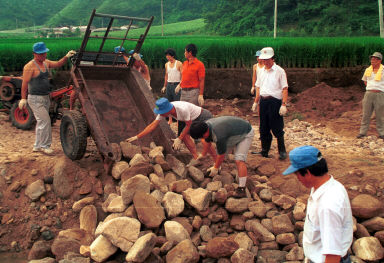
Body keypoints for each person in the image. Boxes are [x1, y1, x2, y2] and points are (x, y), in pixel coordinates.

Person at [283, 145, 353, 263]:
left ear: (308, 173)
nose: (298, 178)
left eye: (297, 174)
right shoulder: (329, 185)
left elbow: (332, 255)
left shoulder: (328, 205)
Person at [19, 42, 75, 154]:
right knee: (45, 121)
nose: (44, 55)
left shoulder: (46, 63)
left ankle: (37, 145)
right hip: (35, 98)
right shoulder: (30, 66)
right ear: (35, 54)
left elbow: (58, 63)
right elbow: (25, 84)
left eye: (44, 53)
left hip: (45, 97)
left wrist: (66, 56)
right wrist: (23, 98)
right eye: (41, 54)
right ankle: (45, 146)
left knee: (41, 122)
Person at [126, 98, 216, 160]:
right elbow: (152, 125)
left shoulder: (182, 109)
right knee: (184, 136)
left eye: (162, 112)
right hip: (185, 119)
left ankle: (216, 162)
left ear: (168, 110)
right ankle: (196, 157)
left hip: (201, 116)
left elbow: (188, 125)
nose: (161, 114)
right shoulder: (164, 112)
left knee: (205, 139)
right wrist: (137, 137)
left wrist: (179, 138)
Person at [189, 116, 254, 197]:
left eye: (202, 136)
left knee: (239, 160)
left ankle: (241, 189)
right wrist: (203, 154)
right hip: (232, 132)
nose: (202, 138)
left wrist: (215, 167)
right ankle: (217, 168)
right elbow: (207, 142)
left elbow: (221, 154)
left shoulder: (219, 134)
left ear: (205, 132)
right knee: (220, 152)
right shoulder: (205, 126)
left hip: (245, 132)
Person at [251, 47, 288, 160]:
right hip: (264, 101)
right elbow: (258, 86)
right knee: (264, 127)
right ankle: (264, 150)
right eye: (263, 59)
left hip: (274, 101)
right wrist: (256, 102)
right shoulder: (261, 70)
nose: (265, 62)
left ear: (272, 58)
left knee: (276, 127)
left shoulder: (279, 71)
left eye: (267, 59)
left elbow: (285, 88)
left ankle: (282, 151)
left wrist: (283, 104)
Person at [357, 51, 384, 139]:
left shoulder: (383, 70)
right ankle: (362, 132)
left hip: (380, 94)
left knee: (380, 115)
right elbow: (365, 81)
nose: (372, 60)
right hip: (368, 94)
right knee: (366, 114)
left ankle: (382, 133)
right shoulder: (368, 70)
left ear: (379, 60)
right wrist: (371, 87)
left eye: (375, 59)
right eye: (372, 58)